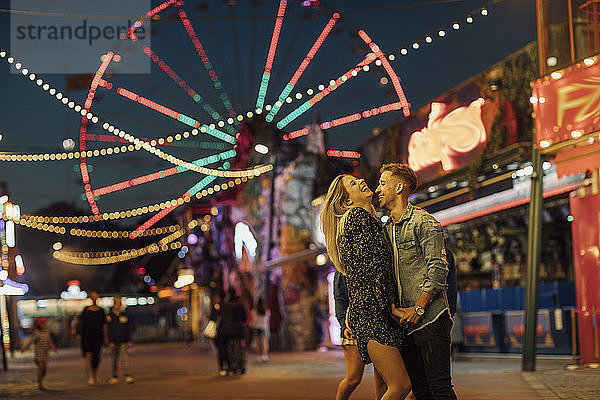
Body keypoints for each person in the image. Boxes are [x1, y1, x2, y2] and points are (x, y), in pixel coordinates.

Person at [322, 174, 411, 400]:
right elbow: (372, 270)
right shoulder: (357, 217)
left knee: (384, 388)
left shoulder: (366, 219)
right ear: (347, 202)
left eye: (357, 179)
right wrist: (390, 306)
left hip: (372, 312)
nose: (360, 181)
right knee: (401, 385)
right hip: (374, 314)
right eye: (353, 184)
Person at [376, 163, 458, 400]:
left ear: (399, 187)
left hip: (431, 318)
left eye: (383, 183)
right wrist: (394, 310)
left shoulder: (424, 222)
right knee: (420, 392)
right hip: (404, 323)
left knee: (440, 389)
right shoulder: (386, 231)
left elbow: (439, 268)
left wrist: (419, 307)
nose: (378, 189)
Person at [74, 290, 107, 385]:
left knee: (97, 357)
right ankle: (91, 376)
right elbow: (78, 321)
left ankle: (96, 374)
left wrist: (106, 337)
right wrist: (75, 331)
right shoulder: (86, 310)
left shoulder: (101, 311)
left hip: (98, 336)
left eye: (96, 296)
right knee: (88, 356)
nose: (94, 298)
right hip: (86, 336)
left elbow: (104, 325)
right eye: (93, 296)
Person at [21, 317, 57, 390]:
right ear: (39, 325)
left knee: (45, 369)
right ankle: (40, 384)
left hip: (45, 354)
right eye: (44, 323)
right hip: (39, 354)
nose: (46, 324)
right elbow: (30, 341)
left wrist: (53, 347)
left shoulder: (47, 333)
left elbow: (50, 341)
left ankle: (40, 379)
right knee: (41, 367)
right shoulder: (36, 333)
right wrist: (24, 348)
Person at [107, 296, 134, 384]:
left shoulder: (125, 315)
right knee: (114, 359)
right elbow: (108, 329)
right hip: (113, 341)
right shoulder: (110, 316)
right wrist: (110, 341)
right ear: (114, 304)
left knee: (124, 359)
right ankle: (114, 376)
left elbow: (128, 328)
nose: (118, 305)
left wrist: (129, 339)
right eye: (117, 303)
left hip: (123, 340)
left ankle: (127, 375)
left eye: (119, 303)